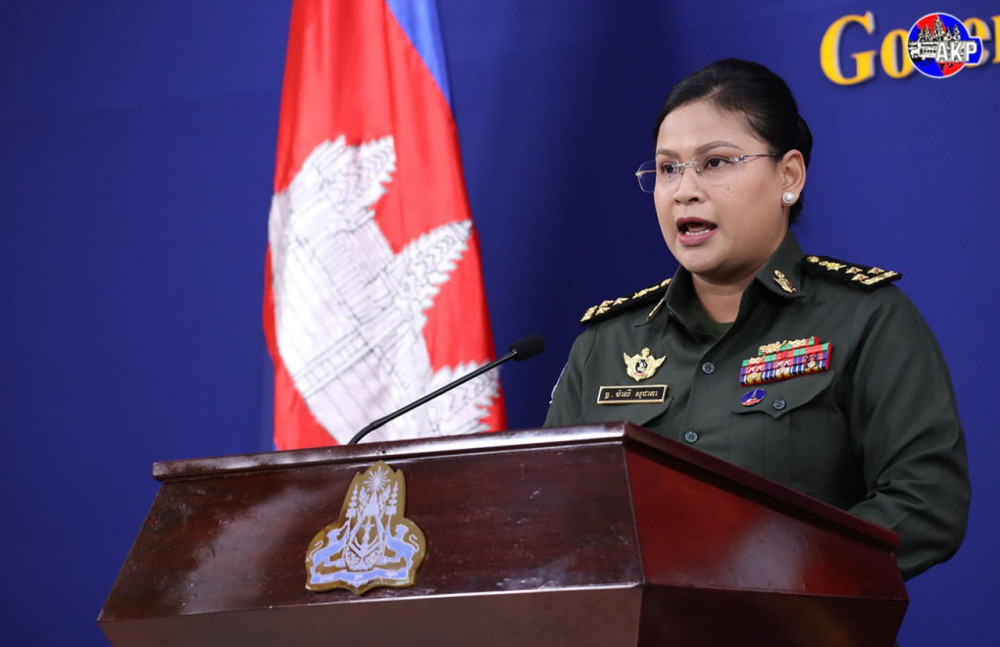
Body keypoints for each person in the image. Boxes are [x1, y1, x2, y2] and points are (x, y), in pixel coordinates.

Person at [544, 58, 969, 581]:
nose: (684, 190)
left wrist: (782, 570)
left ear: (789, 176)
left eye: (715, 162)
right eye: (668, 168)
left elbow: (926, 500)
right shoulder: (605, 344)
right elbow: (552, 511)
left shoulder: (865, 319)